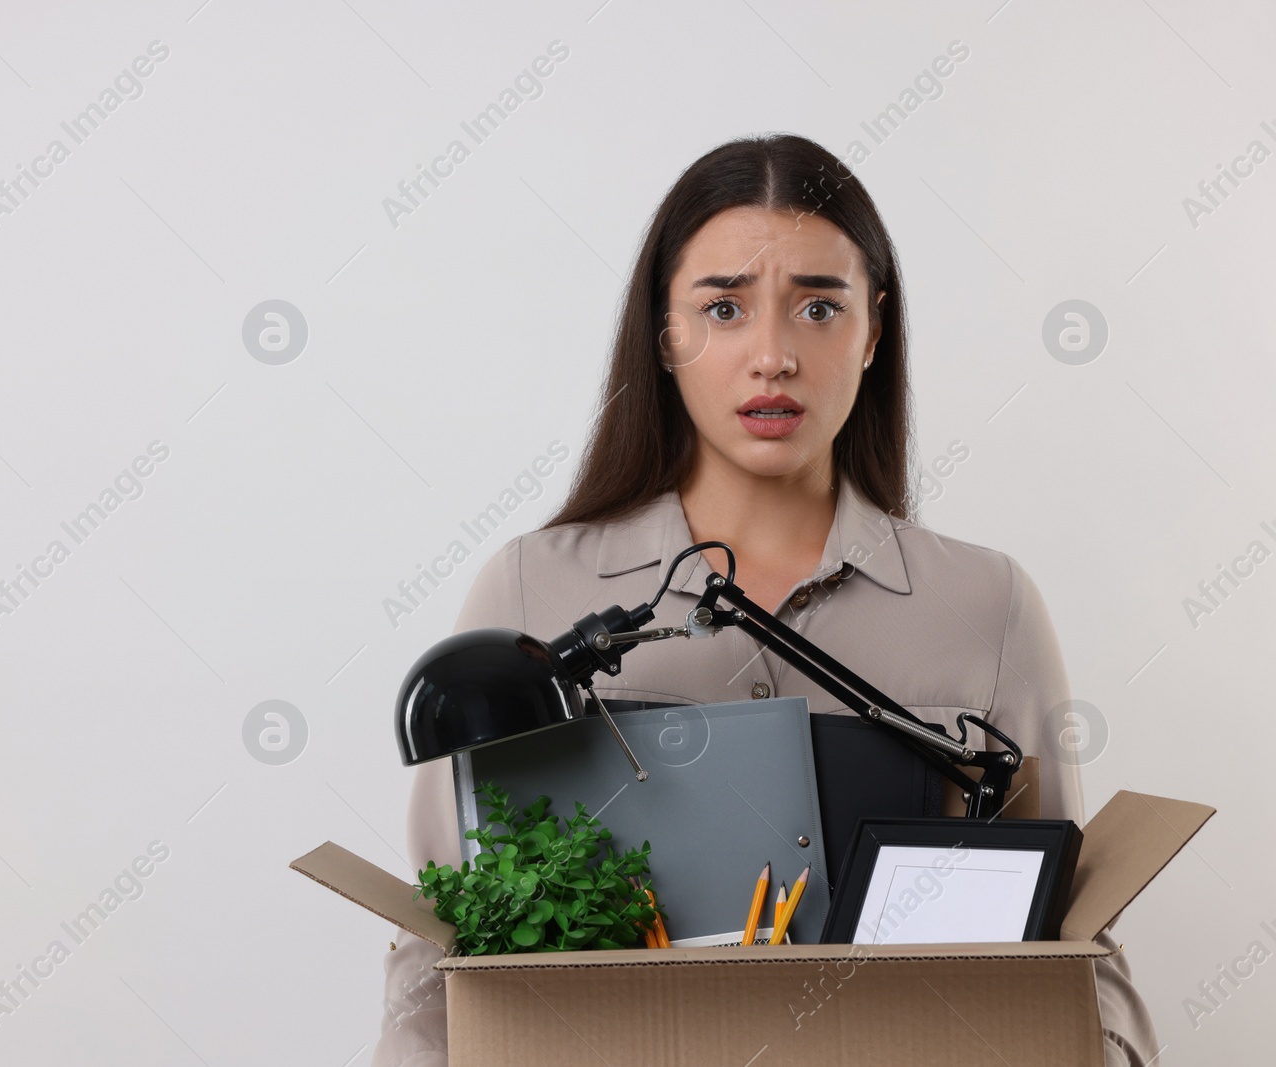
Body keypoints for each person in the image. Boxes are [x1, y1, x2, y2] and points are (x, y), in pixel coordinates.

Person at [370, 133, 1161, 1067]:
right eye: (725, 308)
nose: (773, 355)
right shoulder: (532, 588)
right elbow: (439, 935)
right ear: (665, 335)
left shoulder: (988, 603)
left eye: (819, 306)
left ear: (873, 332)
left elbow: (1070, 936)